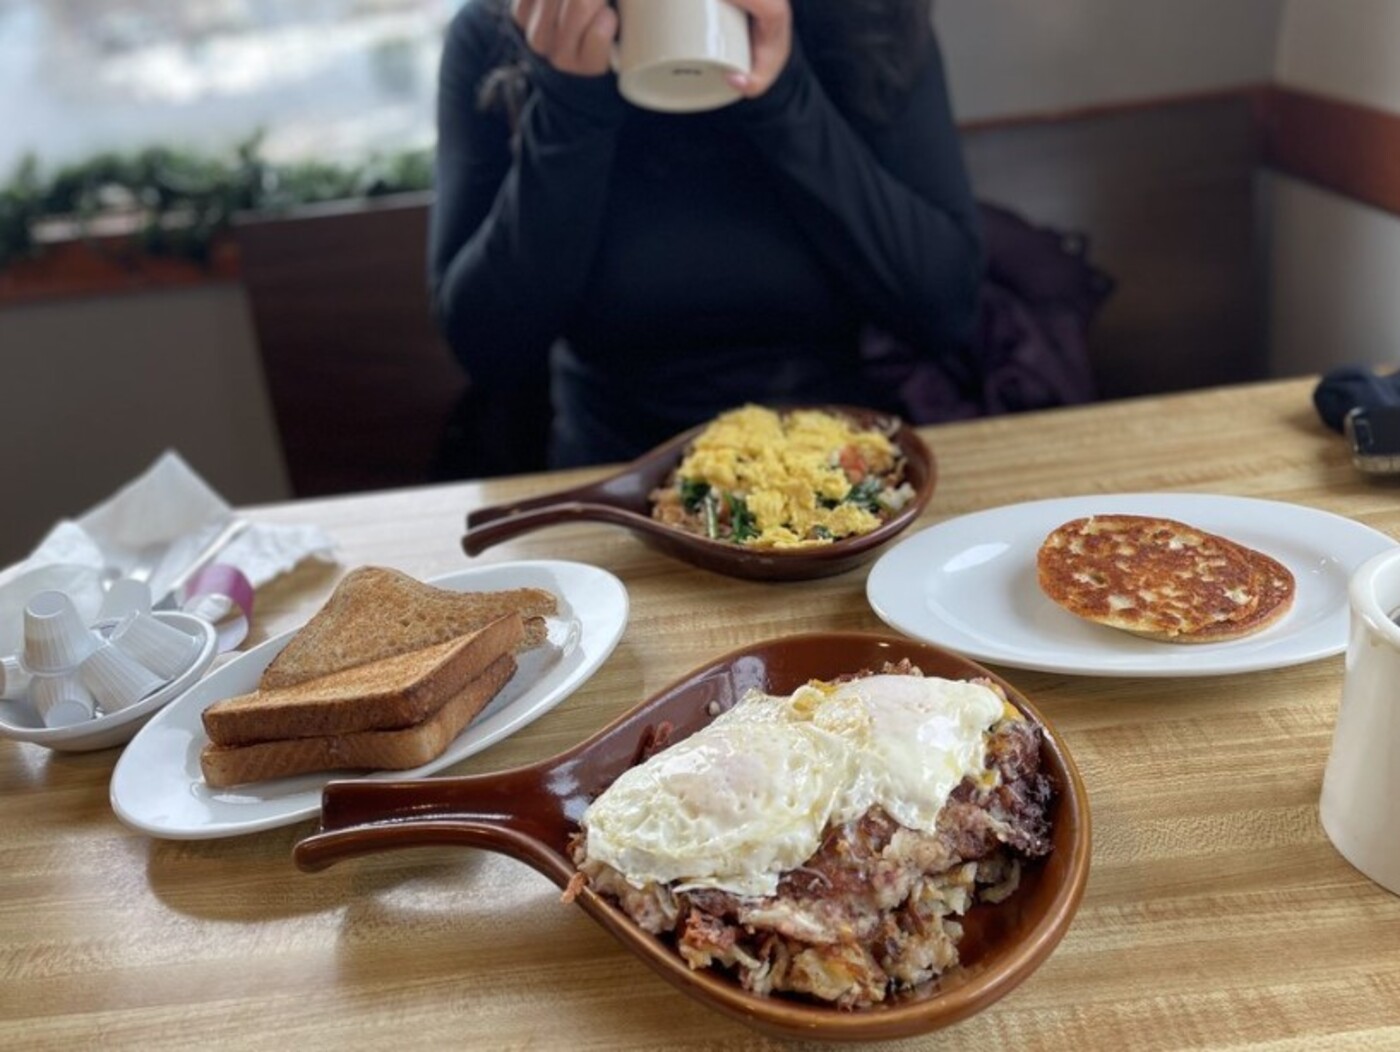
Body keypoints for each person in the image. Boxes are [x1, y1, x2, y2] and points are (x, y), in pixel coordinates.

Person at [428, 0, 984, 472]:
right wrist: (568, 105)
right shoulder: (505, 32)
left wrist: (783, 96)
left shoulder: (868, 20)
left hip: (834, 472)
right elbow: (489, 351)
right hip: (611, 481)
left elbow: (945, 306)